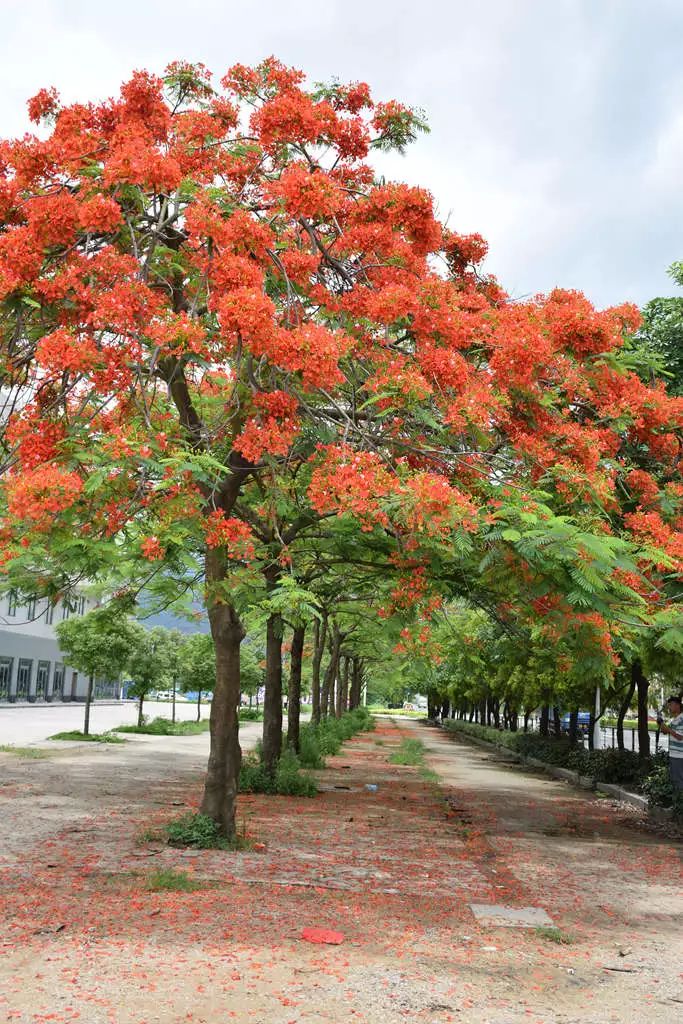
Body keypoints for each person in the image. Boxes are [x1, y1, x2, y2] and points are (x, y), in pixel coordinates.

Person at [658, 694, 683, 790]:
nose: (669, 707)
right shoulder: (674, 720)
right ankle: (677, 802)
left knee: (678, 781)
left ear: (677, 705)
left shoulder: (682, 719)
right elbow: (665, 732)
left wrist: (668, 729)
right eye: (668, 705)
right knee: (675, 780)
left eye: (671, 705)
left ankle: (679, 803)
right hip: (674, 754)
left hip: (680, 755)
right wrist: (661, 724)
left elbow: (680, 737)